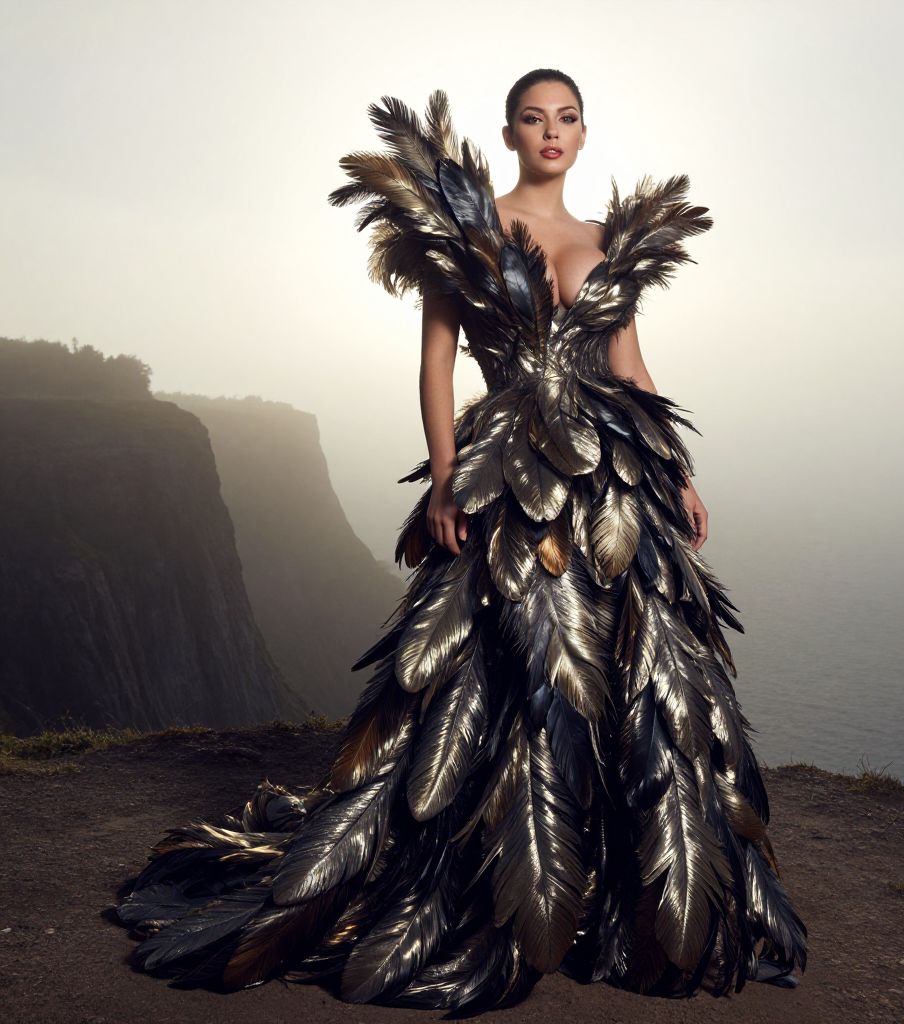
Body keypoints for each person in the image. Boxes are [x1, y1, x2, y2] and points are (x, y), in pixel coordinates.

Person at [109, 71, 809, 1011]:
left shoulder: (606, 243)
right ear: (511, 132)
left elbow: (631, 365)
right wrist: (443, 477)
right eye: (533, 118)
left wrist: (677, 472)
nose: (550, 132)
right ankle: (498, 879)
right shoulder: (468, 234)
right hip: (510, 480)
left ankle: (609, 889)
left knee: (640, 675)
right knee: (514, 675)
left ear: (584, 134)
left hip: (613, 484)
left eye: (566, 119)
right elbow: (438, 363)